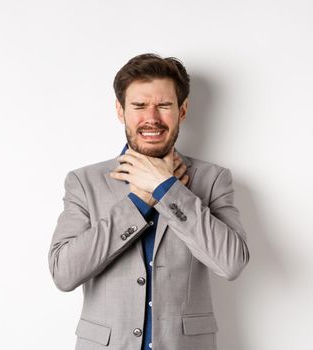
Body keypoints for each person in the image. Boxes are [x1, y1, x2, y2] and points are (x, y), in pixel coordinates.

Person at [48, 53, 250, 350]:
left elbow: (231, 263)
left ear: (182, 110)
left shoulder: (213, 179)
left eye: (164, 105)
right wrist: (140, 199)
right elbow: (63, 273)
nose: (151, 118)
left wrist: (166, 189)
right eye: (139, 106)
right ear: (121, 111)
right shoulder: (84, 181)